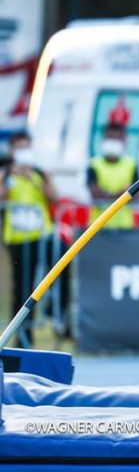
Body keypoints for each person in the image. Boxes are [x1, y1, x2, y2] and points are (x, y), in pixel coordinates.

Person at [0, 131, 57, 347]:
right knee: (22, 289)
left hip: (42, 237)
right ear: (13, 151)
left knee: (54, 271)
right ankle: (22, 337)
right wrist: (12, 175)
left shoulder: (39, 173)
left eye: (28, 147)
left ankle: (53, 307)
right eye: (20, 148)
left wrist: (36, 179)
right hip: (18, 239)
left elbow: (54, 197)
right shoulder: (6, 173)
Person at [87, 123, 139, 229]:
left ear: (124, 141)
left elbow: (137, 195)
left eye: (116, 139)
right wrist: (124, 194)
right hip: (97, 226)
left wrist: (107, 194)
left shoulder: (131, 165)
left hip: (125, 226)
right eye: (110, 138)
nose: (112, 142)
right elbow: (96, 195)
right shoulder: (94, 164)